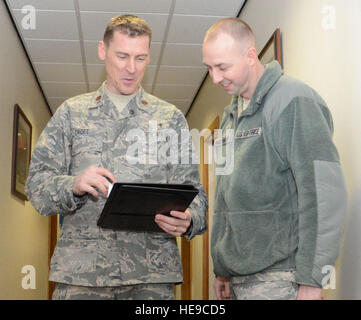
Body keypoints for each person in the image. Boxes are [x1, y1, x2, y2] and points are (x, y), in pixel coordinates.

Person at [25, 14, 208, 300]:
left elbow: (195, 194)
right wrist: (73, 184)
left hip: (151, 277)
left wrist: (190, 219)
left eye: (141, 58)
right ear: (102, 50)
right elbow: (36, 187)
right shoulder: (71, 114)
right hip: (81, 276)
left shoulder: (169, 118)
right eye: (122, 56)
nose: (131, 69)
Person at [202, 18, 347, 300]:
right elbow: (226, 199)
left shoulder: (293, 100)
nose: (215, 78)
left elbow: (323, 194)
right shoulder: (232, 115)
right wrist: (222, 268)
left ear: (251, 55)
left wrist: (313, 279)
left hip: (283, 277)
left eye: (223, 67)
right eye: (209, 68)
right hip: (241, 279)